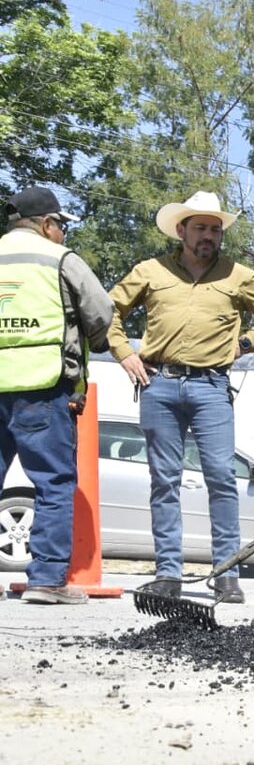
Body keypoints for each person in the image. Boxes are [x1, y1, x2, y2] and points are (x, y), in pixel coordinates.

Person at [108, 191, 254, 604]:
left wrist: (245, 342)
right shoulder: (150, 270)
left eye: (216, 229)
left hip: (211, 387)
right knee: (164, 481)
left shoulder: (237, 275)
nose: (209, 235)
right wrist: (124, 354)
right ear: (182, 230)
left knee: (222, 478)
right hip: (159, 385)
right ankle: (168, 573)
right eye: (201, 227)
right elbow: (107, 310)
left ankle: (226, 574)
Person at [0, 187, 114, 605]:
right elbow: (101, 312)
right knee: (54, 482)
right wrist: (93, 342)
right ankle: (46, 580)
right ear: (46, 224)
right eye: (61, 225)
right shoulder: (59, 259)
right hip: (42, 387)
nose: (62, 232)